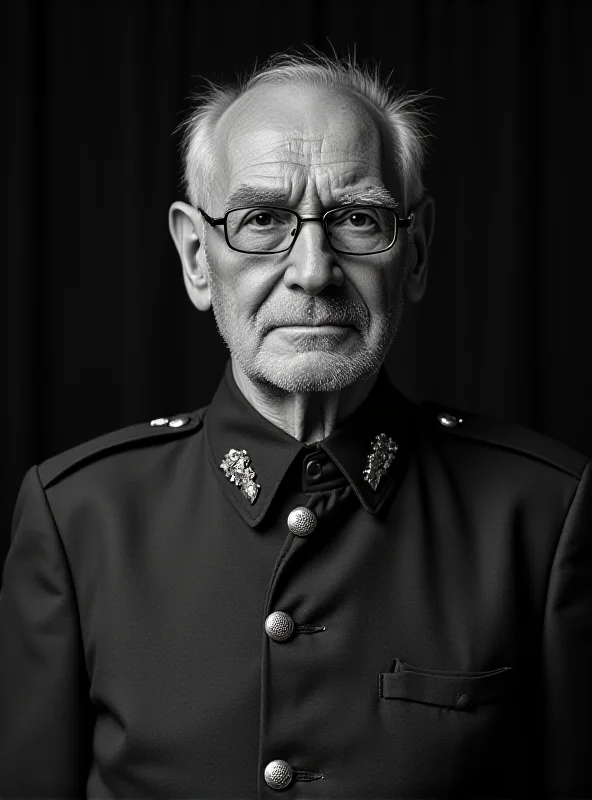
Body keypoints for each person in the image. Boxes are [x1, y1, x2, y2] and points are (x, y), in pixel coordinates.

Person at [1, 51, 590, 800]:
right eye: (262, 220)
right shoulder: (79, 517)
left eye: (356, 218)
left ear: (416, 250)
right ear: (195, 256)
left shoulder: (543, 513)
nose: (313, 269)